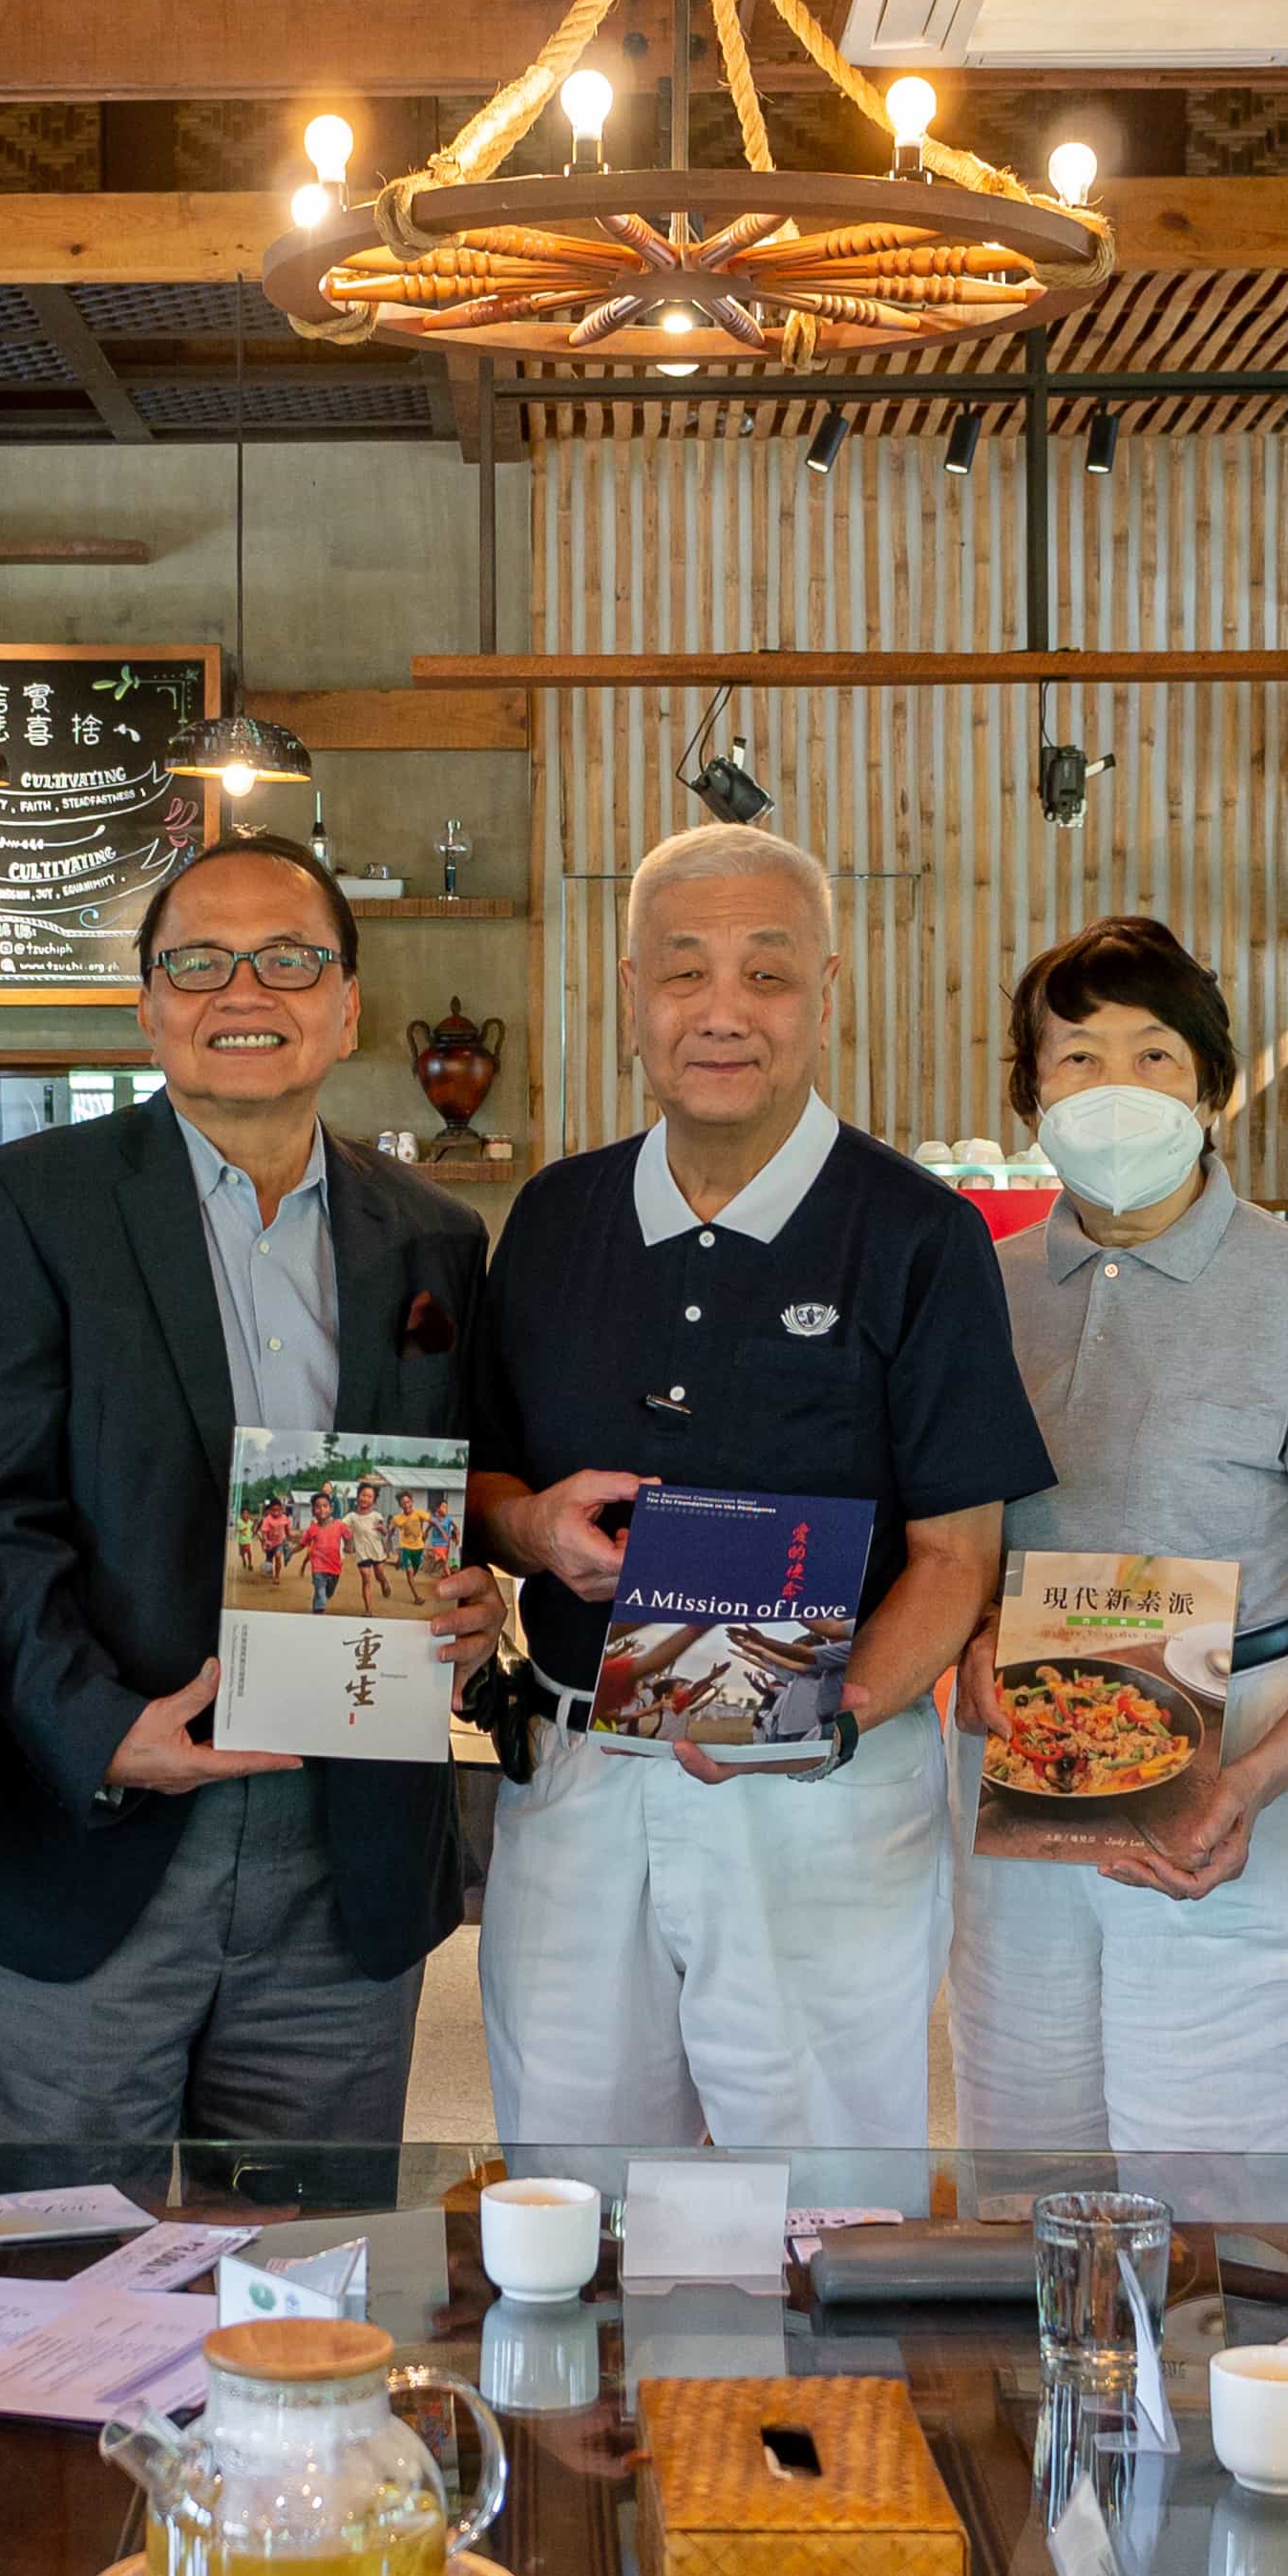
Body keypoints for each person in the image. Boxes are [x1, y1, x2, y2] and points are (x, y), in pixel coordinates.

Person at [467, 823, 1050, 2148]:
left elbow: (959, 1557)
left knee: (816, 2191)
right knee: (574, 2172)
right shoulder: (555, 1220)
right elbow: (481, 1476)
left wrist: (825, 1720)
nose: (723, 1012)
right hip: (575, 1771)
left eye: (768, 975)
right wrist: (524, 1526)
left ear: (828, 997)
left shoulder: (917, 1235)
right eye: (683, 974)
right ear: (629, 1001)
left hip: (818, 1793)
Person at [0, 832, 497, 2140]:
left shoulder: (436, 1239)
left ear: (348, 1003)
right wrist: (101, 1733)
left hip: (344, 1853)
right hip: (92, 1837)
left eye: (289, 960)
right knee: (68, 2293)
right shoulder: (29, 1204)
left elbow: (440, 1496)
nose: (246, 993)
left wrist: (472, 1608)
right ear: (147, 1003)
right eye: (200, 961)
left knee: (305, 2292)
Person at [947, 918, 1288, 2151]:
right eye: (1075, 1058)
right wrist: (961, 1645)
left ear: (1214, 1087)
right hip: (1029, 1798)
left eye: (1155, 1055)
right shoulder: (982, 1294)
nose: (1116, 1088)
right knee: (1039, 2180)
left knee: (1253, 2207)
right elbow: (950, 1552)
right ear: (1029, 1095)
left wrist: (1252, 1782)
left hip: (1260, 1802)